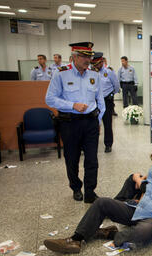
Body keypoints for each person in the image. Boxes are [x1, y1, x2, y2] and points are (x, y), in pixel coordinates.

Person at [43, 146, 152, 254]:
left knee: (143, 232)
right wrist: (139, 193)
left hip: (151, 219)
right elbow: (147, 188)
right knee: (101, 202)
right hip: (138, 210)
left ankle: (109, 234)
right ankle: (75, 240)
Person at [45, 42, 105, 203]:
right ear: (74, 57)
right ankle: (76, 187)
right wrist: (72, 105)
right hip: (70, 123)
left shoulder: (94, 73)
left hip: (91, 122)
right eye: (84, 56)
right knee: (72, 158)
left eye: (89, 56)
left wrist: (97, 121)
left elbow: (100, 100)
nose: (88, 60)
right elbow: (50, 99)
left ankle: (90, 191)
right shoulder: (61, 74)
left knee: (92, 159)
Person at [91, 52, 120, 153]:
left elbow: (116, 85)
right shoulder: (91, 72)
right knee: (93, 123)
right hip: (94, 101)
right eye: (94, 64)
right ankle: (92, 143)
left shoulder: (109, 72)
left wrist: (110, 95)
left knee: (107, 123)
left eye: (97, 64)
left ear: (102, 61)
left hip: (107, 100)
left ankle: (108, 144)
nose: (96, 66)